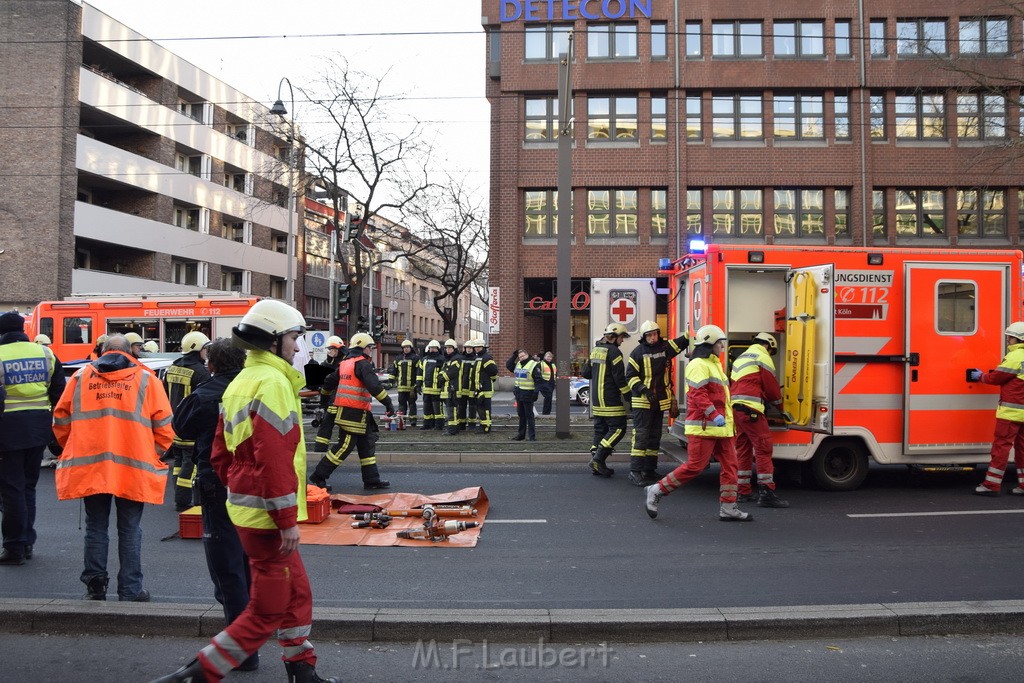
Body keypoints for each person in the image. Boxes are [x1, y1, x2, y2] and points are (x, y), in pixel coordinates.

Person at [152, 299, 339, 683]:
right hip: (268, 517)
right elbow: (274, 458)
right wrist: (285, 518)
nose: (297, 346)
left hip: (251, 509)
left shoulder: (243, 380)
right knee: (267, 609)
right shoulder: (271, 383)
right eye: (292, 337)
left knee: (296, 594)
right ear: (272, 341)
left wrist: (241, 489)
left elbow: (221, 453)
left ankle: (302, 670)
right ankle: (199, 673)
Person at [53, 334, 173, 599]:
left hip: (92, 467)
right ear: (130, 351)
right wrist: (149, 453)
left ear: (102, 351)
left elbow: (61, 422)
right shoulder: (146, 380)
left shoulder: (79, 378)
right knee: (130, 529)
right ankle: (130, 589)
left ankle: (95, 584)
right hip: (133, 468)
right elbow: (164, 429)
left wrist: (75, 448)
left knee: (96, 527)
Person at [170, 339, 258, 673]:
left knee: (226, 568)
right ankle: (250, 639)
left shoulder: (206, 393)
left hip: (217, 484)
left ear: (211, 364)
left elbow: (180, 427)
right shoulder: (256, 388)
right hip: (253, 483)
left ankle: (242, 651)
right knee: (251, 561)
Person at [644, 325, 752, 522]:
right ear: (710, 344)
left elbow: (720, 397)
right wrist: (714, 415)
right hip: (705, 427)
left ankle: (728, 507)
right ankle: (657, 489)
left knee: (730, 466)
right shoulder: (699, 364)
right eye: (719, 343)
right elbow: (697, 394)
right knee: (695, 466)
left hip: (721, 429)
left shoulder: (713, 364)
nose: (721, 346)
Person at [0, 311, 66, 565]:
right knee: (28, 487)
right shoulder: (45, 353)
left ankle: (15, 547)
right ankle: (26, 541)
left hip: (8, 429)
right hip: (39, 428)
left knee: (12, 489)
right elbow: (60, 393)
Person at [308, 332, 394, 492]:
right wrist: (389, 404)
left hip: (356, 414)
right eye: (369, 347)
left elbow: (328, 382)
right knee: (344, 446)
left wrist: (325, 400)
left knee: (366, 446)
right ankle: (318, 476)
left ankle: (371, 480)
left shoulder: (345, 363)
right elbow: (375, 387)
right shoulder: (363, 364)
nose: (370, 350)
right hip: (353, 415)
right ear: (363, 348)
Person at [624, 320, 689, 486]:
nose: (653, 338)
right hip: (642, 402)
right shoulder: (637, 353)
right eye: (649, 335)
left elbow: (682, 342)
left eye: (655, 334)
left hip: (659, 402)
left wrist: (692, 331)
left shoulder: (665, 348)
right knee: (641, 437)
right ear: (644, 337)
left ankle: (649, 470)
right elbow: (630, 376)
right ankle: (635, 471)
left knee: (654, 437)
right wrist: (644, 390)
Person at [730, 332, 790, 508]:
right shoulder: (762, 356)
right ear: (769, 345)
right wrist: (781, 409)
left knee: (743, 449)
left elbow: (743, 383)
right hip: (752, 409)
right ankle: (766, 493)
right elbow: (771, 388)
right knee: (763, 448)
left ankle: (743, 491)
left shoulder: (741, 357)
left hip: (737, 409)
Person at [969, 321, 1024, 497]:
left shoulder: (1016, 357)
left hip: (1011, 413)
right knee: (1022, 449)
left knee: (1001, 448)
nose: (1008, 341)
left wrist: (981, 376)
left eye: (1010, 338)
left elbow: (997, 378)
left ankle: (991, 485)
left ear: (1018, 339)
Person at [164, 331, 212, 512]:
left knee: (178, 462)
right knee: (189, 464)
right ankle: (183, 500)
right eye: (205, 349)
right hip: (192, 425)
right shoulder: (200, 372)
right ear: (196, 349)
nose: (206, 353)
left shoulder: (172, 367)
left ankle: (179, 494)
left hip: (174, 424)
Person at [584, 323, 632, 477]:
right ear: (614, 337)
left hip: (596, 401)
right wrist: (628, 396)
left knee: (600, 430)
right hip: (610, 399)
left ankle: (597, 465)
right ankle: (598, 459)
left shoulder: (595, 350)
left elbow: (586, 373)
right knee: (619, 428)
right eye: (622, 337)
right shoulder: (615, 353)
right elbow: (619, 378)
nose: (622, 341)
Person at [506, 349, 542, 441]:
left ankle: (532, 436)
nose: (521, 358)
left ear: (527, 355)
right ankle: (521, 435)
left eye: (523, 356)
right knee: (521, 415)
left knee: (529, 415)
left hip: (528, 393)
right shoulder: (518, 364)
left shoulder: (533, 365)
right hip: (519, 393)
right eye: (520, 357)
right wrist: (514, 356)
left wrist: (536, 392)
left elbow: (538, 380)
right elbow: (509, 365)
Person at [417, 339, 445, 430]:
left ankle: (438, 425)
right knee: (426, 408)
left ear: (438, 349)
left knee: (437, 409)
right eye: (431, 348)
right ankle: (427, 424)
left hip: (437, 388)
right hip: (426, 388)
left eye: (434, 348)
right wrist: (418, 384)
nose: (432, 350)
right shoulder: (424, 359)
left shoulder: (441, 359)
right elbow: (420, 373)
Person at [390, 339, 419, 427]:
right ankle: (402, 420)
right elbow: (394, 371)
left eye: (407, 347)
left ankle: (413, 420)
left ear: (411, 348)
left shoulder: (415, 358)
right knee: (401, 404)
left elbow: (418, 372)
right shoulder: (398, 358)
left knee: (412, 404)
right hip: (401, 387)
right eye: (404, 347)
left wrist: (417, 384)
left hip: (412, 387)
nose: (406, 349)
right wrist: (390, 381)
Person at [472, 339, 498, 433]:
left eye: (479, 347)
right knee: (480, 408)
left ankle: (486, 427)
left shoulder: (487, 358)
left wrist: (487, 380)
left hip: (486, 388)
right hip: (479, 388)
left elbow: (493, 371)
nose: (477, 349)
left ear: (483, 347)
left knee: (486, 409)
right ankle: (483, 425)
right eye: (476, 347)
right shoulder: (478, 357)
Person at [452, 340, 478, 433]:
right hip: (462, 387)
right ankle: (462, 425)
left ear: (473, 349)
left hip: (472, 387)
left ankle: (472, 425)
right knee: (461, 407)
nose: (469, 350)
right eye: (467, 348)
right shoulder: (460, 358)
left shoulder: (476, 359)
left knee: (472, 407)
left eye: (470, 348)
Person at [441, 339, 460, 433]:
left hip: (453, 389)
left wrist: (442, 377)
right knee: (450, 410)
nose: (448, 350)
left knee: (452, 410)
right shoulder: (447, 360)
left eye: (450, 348)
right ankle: (452, 428)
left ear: (454, 348)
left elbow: (451, 373)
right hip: (447, 389)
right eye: (446, 348)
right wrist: (441, 376)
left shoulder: (456, 359)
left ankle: (452, 429)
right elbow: (442, 371)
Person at [538, 351, 556, 415]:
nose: (549, 358)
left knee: (549, 398)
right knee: (548, 397)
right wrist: (541, 382)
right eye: (548, 356)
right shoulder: (541, 364)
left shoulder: (553, 364)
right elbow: (538, 374)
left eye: (550, 357)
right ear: (545, 357)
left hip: (551, 383)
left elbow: (554, 373)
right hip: (544, 383)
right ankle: (545, 413)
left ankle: (547, 413)